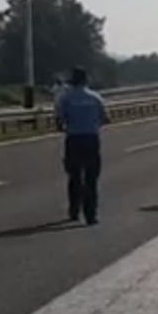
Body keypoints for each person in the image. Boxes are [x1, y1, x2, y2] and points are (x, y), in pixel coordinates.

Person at [53, 66, 109, 225]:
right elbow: (105, 118)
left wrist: (69, 126)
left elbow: (59, 120)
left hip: (73, 139)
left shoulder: (64, 98)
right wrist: (92, 124)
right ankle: (91, 215)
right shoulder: (96, 97)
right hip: (91, 139)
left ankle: (74, 211)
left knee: (74, 177)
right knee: (91, 178)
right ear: (86, 80)